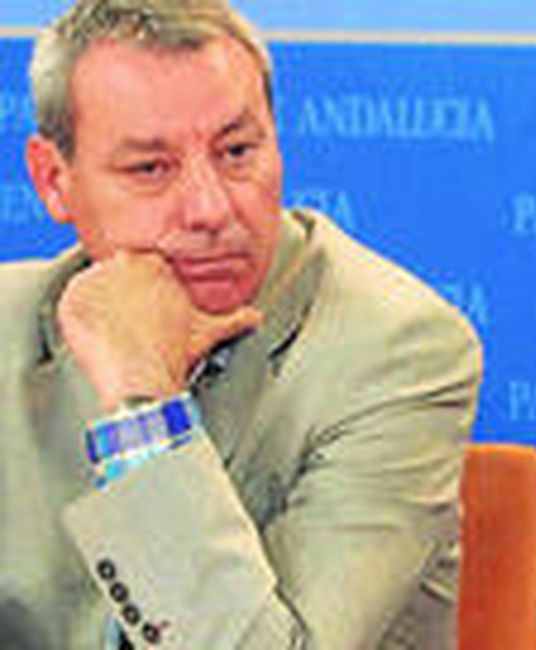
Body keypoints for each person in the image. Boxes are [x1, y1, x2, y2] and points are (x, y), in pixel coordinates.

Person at [0, 0, 482, 647]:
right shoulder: (8, 325)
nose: (210, 208)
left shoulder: (399, 350)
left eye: (236, 151)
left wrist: (142, 402)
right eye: (150, 168)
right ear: (54, 181)